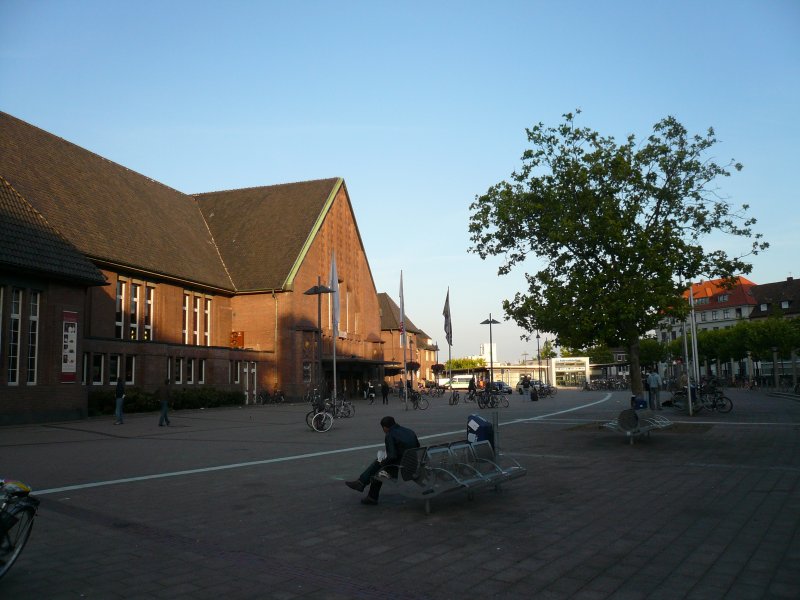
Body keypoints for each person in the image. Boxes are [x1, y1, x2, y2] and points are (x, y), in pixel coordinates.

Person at [344, 416, 420, 505]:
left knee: (378, 467)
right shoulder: (409, 431)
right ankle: (361, 484)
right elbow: (417, 446)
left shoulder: (390, 435)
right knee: (379, 463)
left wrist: (382, 463)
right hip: (413, 465)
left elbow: (392, 456)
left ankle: (366, 490)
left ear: (385, 427)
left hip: (401, 469)